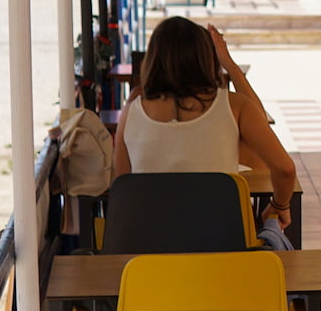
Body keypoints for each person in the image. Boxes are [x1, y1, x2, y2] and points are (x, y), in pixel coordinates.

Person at [111, 15, 297, 233]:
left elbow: (123, 185)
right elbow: (285, 168)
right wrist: (279, 205)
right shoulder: (233, 106)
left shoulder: (132, 109)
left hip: (148, 249)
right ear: (206, 58)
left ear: (152, 60)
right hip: (223, 245)